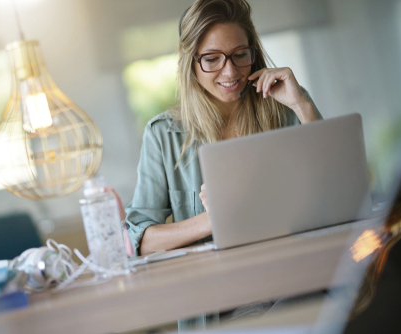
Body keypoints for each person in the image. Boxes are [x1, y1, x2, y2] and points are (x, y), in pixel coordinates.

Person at [125, 0, 323, 256]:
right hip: (217, 285)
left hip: (295, 262)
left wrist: (302, 105)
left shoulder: (288, 108)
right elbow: (139, 242)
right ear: (191, 64)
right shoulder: (163, 134)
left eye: (240, 54)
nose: (230, 72)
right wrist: (213, 218)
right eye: (211, 59)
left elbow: (336, 195)